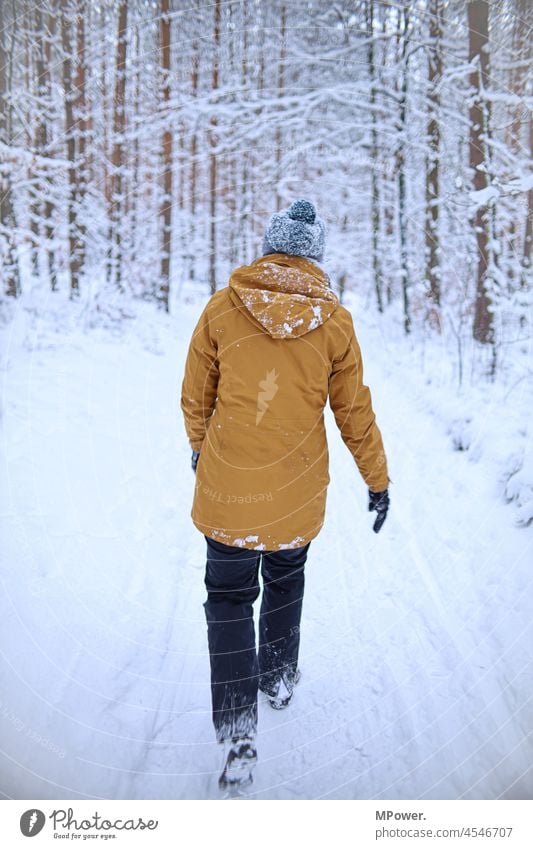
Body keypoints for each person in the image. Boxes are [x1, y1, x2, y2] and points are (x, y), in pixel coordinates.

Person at [180, 199, 390, 791]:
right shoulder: (336, 324)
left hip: (228, 487)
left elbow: (195, 392)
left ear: (270, 247)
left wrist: (202, 448)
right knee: (286, 576)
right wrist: (377, 479)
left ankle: (237, 728)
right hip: (297, 491)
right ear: (314, 255)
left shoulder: (223, 308)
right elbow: (354, 413)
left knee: (226, 597)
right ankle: (275, 677)